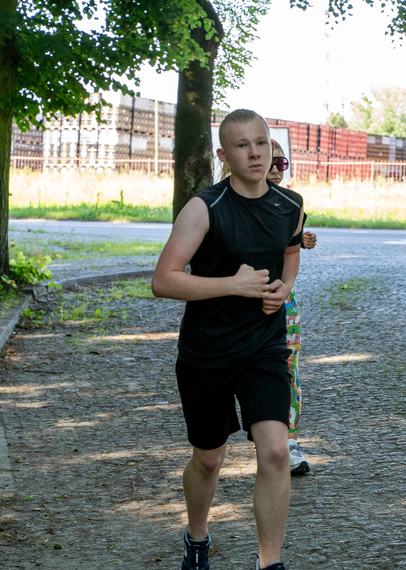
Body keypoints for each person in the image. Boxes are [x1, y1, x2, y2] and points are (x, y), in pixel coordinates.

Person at [152, 109, 303, 570]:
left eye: (261, 143)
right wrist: (231, 285)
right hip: (208, 351)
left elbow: (291, 250)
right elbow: (164, 280)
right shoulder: (204, 208)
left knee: (276, 451)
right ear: (224, 154)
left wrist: (285, 288)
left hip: (265, 345)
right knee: (210, 459)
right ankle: (197, 536)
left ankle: (269, 563)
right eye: (242, 145)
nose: (255, 153)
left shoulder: (290, 204)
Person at [266, 139, 317, 475]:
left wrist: (304, 239)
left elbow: (292, 248)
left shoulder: (291, 204)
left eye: (280, 163)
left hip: (285, 301)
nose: (273, 169)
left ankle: (289, 441)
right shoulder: (219, 202)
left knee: (288, 370)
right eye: (268, 162)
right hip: (236, 302)